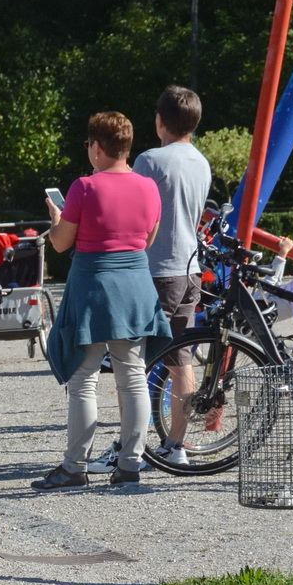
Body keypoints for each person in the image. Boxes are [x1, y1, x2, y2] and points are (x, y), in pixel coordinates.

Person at [36, 111, 172, 489]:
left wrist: (56, 219)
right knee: (133, 377)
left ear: (96, 147)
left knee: (83, 379)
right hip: (136, 287)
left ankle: (74, 467)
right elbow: (146, 239)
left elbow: (62, 243)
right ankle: (130, 465)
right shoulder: (148, 187)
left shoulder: (84, 187)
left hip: (94, 287)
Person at [99, 86, 213, 469]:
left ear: (159, 121)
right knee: (181, 359)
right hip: (189, 268)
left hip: (154, 269)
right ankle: (175, 446)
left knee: (130, 361)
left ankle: (130, 446)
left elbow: (132, 208)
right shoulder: (201, 161)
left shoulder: (151, 159)